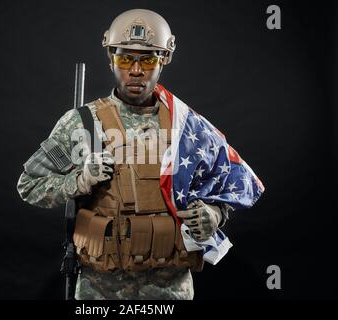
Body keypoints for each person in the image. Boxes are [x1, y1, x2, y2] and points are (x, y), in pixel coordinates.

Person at [17, 8, 264, 300]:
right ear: (111, 59)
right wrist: (79, 181)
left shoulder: (185, 126)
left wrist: (215, 213)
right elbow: (29, 185)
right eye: (125, 59)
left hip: (170, 289)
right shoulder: (83, 123)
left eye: (148, 60)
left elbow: (225, 182)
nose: (136, 71)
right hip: (101, 289)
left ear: (164, 60)